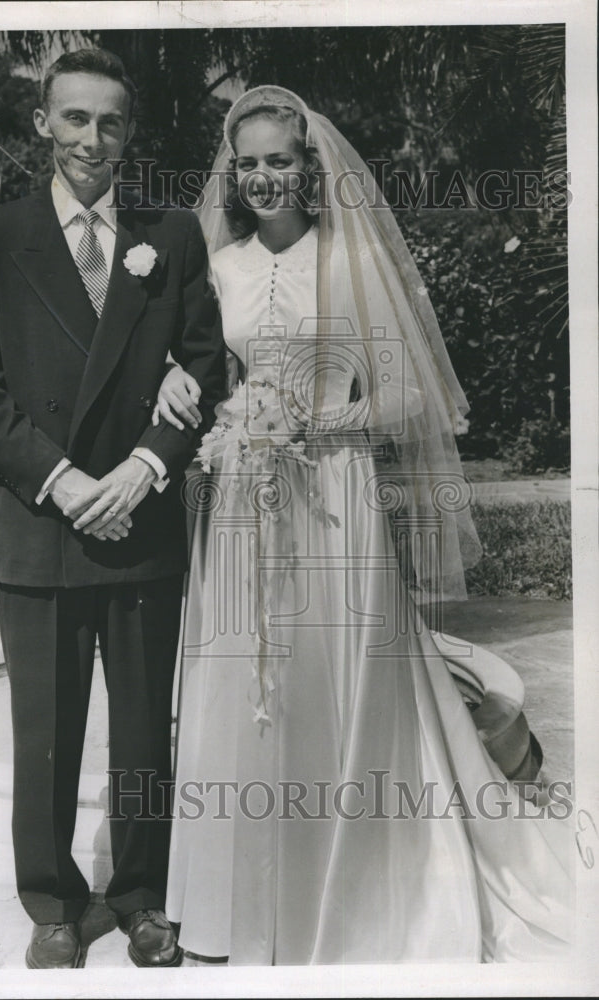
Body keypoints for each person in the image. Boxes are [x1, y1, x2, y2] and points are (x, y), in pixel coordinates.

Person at [160, 85, 573, 964]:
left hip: (335, 497)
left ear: (310, 168)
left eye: (281, 160)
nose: (265, 177)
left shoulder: (349, 262)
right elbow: (192, 371)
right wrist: (214, 409)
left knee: (336, 679)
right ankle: (239, 909)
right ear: (233, 174)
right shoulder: (217, 265)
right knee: (242, 686)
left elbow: (407, 397)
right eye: (250, 164)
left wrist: (318, 424)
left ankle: (351, 896)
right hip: (241, 497)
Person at [0, 47, 226, 969]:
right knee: (47, 732)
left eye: (109, 122)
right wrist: (62, 481)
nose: (91, 139)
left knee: (144, 732)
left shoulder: (170, 235)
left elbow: (205, 366)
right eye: (74, 118)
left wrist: (144, 468)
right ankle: (55, 902)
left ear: (128, 131)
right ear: (42, 123)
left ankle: (143, 898)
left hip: (139, 519)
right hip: (42, 523)